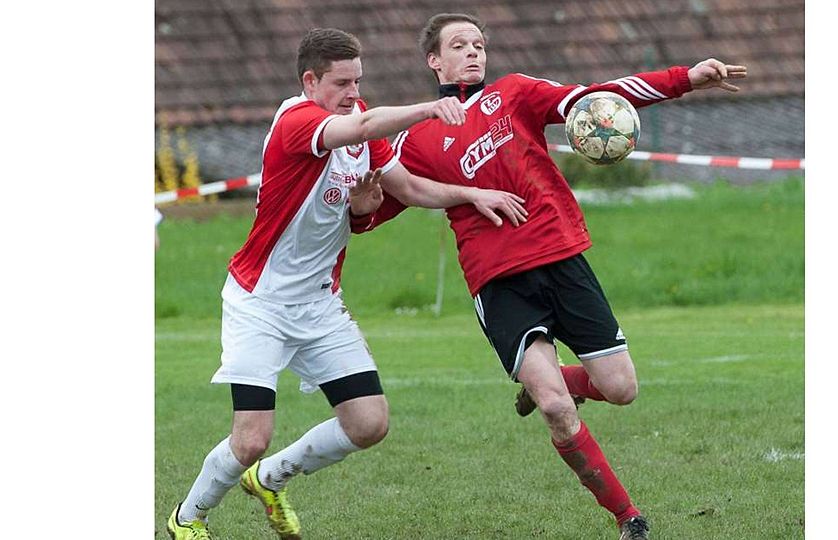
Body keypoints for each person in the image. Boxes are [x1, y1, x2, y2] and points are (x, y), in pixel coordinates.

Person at [355, 13, 747, 540]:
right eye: (459, 45)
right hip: (498, 281)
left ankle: (551, 380)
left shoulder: (515, 94)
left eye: (479, 44)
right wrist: (360, 210)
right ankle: (629, 518)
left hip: (561, 259)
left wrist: (684, 79)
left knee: (621, 389)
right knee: (559, 410)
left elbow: (595, 99)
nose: (473, 53)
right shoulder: (416, 139)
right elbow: (378, 209)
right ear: (434, 61)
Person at [165, 27, 527, 540]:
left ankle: (269, 479)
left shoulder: (359, 127)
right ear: (310, 82)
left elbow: (409, 187)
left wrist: (470, 194)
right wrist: (429, 109)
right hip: (260, 303)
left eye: (358, 81)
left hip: (320, 306)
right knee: (250, 439)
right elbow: (362, 126)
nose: (353, 93)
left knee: (368, 423)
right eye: (341, 83)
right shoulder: (297, 121)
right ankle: (187, 518)